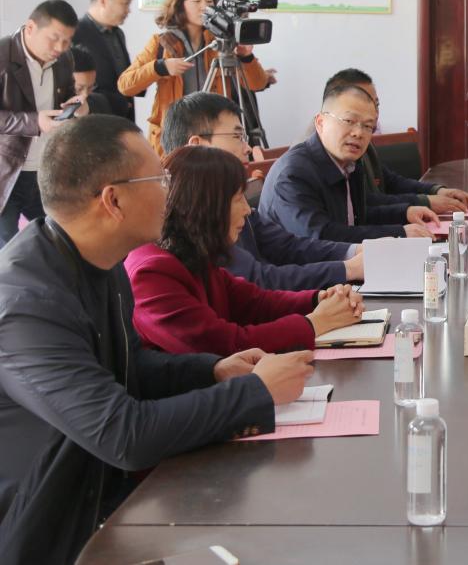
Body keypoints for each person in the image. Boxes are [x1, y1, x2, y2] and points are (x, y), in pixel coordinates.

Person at [0, 115, 315, 565]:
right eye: (159, 180)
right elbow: (123, 434)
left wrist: (213, 370)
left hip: (103, 502)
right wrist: (255, 391)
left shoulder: (102, 261)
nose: (170, 193)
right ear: (113, 200)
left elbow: (130, 368)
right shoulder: (26, 303)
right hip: (48, 529)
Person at [125, 146, 364, 356]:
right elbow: (225, 344)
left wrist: (318, 299)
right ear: (206, 206)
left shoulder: (193, 252)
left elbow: (256, 302)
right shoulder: (151, 273)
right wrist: (315, 323)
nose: (247, 210)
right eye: (238, 198)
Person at [161, 92, 364, 290]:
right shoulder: (193, 215)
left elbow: (290, 246)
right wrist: (348, 269)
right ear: (197, 145)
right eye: (237, 136)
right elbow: (256, 280)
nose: (248, 148)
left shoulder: (231, 201)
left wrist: (356, 251)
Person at [259, 83, 438, 242]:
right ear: (320, 123)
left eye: (368, 126)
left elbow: (355, 217)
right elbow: (321, 236)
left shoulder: (350, 163)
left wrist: (405, 213)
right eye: (349, 121)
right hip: (301, 268)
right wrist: (399, 233)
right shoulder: (294, 173)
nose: (358, 133)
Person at [117, 0, 269, 156]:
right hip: (174, 138)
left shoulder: (222, 42)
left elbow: (257, 84)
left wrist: (246, 58)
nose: (204, 7)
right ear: (179, 4)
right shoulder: (161, 43)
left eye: (209, 2)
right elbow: (125, 85)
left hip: (216, 136)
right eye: (196, 1)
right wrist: (160, 67)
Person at [0, 0, 89, 245]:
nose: (60, 47)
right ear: (30, 28)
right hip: (5, 172)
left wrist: (79, 107)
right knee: (7, 250)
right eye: (54, 38)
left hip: (46, 170)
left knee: (64, 241)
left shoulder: (64, 58)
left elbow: (67, 97)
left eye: (67, 41)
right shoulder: (2, 55)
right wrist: (34, 122)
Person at [322, 69, 468, 213]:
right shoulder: (326, 156)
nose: (374, 112)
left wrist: (436, 190)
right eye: (363, 102)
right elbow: (367, 205)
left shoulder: (363, 141)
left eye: (375, 105)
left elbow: (390, 181)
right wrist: (425, 202)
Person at [72, 0, 135, 120]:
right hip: (93, 119)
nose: (128, 10)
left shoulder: (118, 33)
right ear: (103, 0)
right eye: (125, 3)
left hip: (122, 118)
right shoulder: (75, 34)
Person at [69, 46, 111, 115]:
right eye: (79, 89)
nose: (85, 95)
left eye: (90, 87)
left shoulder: (100, 103)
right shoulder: (52, 106)